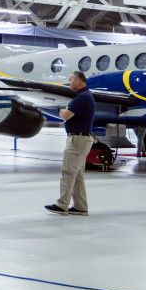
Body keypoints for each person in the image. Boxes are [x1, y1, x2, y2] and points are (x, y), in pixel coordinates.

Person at [48, 71, 95, 216]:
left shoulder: (82, 97)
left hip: (77, 140)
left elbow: (66, 115)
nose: (69, 82)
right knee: (78, 174)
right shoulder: (85, 96)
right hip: (82, 138)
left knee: (68, 172)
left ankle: (62, 205)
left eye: (71, 79)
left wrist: (60, 109)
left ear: (79, 80)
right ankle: (81, 207)